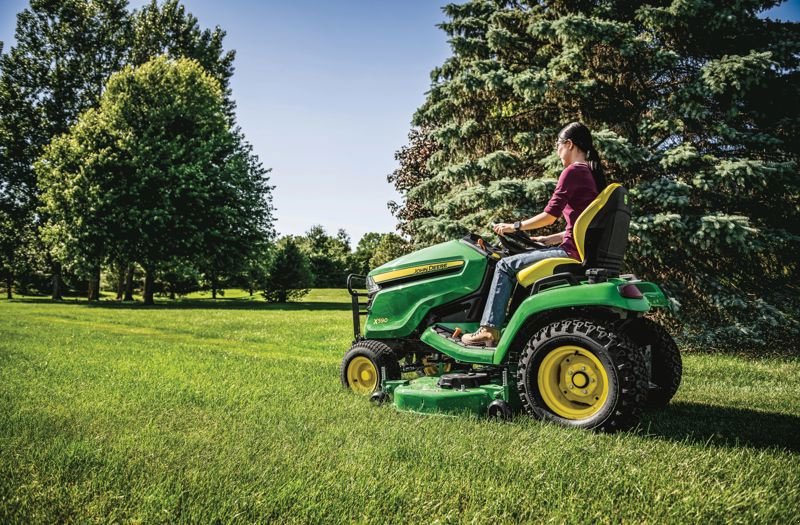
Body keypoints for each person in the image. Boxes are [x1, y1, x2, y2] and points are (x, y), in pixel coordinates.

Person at [461, 122, 607, 347]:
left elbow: (549, 216)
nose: (558, 152)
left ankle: (489, 330)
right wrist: (547, 240)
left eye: (558, 146)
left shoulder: (573, 171)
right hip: (575, 249)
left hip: (570, 252)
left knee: (504, 266)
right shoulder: (590, 174)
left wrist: (514, 226)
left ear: (568, 144)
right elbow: (580, 226)